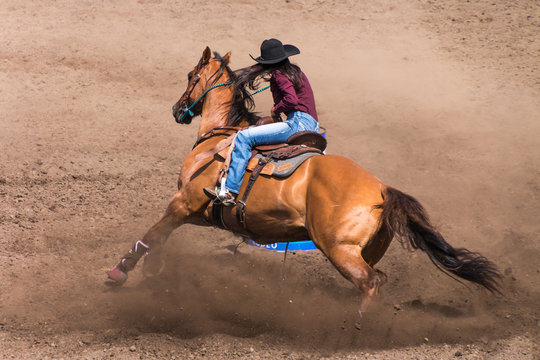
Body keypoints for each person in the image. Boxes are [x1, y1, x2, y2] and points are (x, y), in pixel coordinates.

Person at [207, 38, 319, 206]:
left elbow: (291, 100)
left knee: (244, 137)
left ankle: (230, 190)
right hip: (313, 126)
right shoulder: (296, 73)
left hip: (297, 123)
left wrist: (276, 109)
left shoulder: (279, 75)